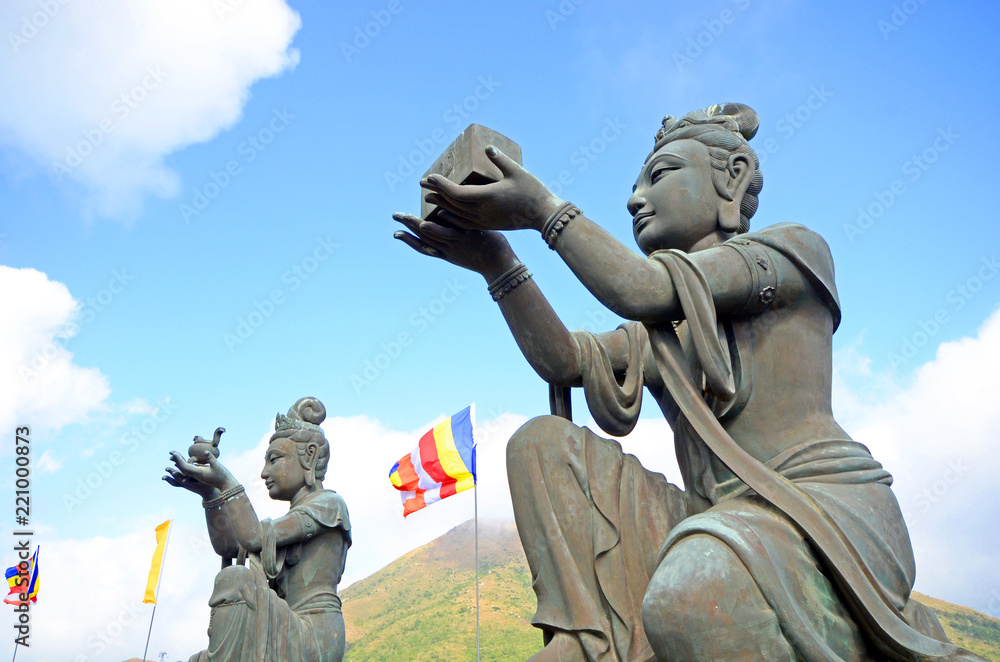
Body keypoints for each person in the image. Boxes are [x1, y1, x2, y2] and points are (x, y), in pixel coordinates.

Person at [392, 104, 982, 661]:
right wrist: (498, 262)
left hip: (818, 512)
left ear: (733, 178)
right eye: (635, 186)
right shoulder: (660, 330)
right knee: (540, 444)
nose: (634, 199)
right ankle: (586, 634)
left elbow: (643, 288)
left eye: (659, 175)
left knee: (692, 595)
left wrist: (544, 210)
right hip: (710, 518)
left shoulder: (791, 253)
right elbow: (566, 360)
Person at [164, 397, 351, 662]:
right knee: (233, 578)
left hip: (314, 637)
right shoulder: (288, 522)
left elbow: (252, 537)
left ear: (308, 456)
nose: (264, 472)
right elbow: (231, 545)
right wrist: (211, 495)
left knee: (236, 580)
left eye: (274, 460)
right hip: (288, 623)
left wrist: (227, 483)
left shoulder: (329, 505)